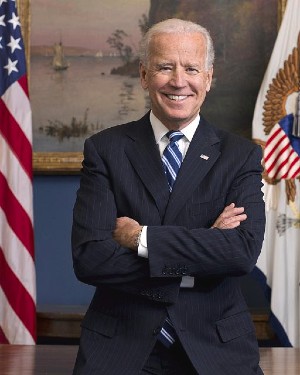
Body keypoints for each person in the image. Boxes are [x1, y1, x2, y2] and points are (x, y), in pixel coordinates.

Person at [71, 18, 265, 375]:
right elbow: (91, 258)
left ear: (208, 77)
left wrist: (140, 238)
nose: (179, 81)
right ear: (145, 76)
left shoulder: (240, 156)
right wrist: (205, 249)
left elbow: (240, 254)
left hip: (216, 349)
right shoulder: (105, 150)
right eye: (164, 67)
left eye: (191, 68)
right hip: (120, 347)